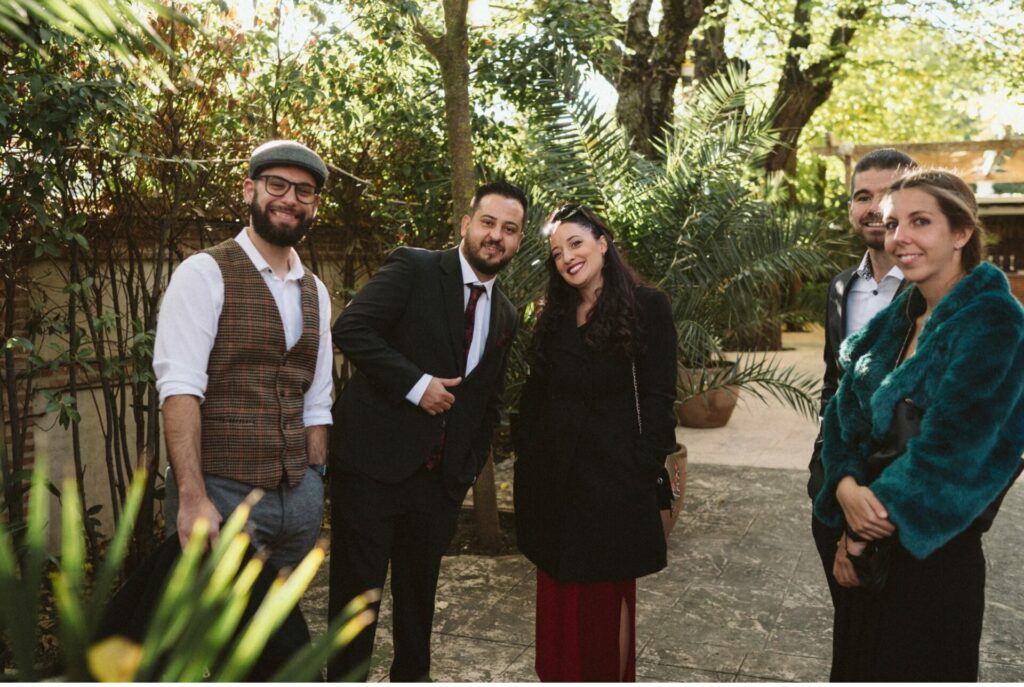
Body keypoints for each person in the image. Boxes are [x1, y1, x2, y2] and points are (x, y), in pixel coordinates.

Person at [813, 170, 1024, 681]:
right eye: (891, 224)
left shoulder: (995, 322)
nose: (899, 237)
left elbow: (953, 453)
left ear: (961, 233)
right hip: (865, 557)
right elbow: (841, 416)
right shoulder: (898, 318)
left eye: (920, 221)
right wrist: (842, 485)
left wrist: (861, 536)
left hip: (931, 561)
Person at [327, 181, 527, 681]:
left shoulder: (505, 313)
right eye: (488, 223)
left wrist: (462, 470)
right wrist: (416, 385)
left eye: (509, 229)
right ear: (465, 225)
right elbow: (351, 329)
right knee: (355, 608)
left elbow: (489, 402)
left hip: (437, 487)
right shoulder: (414, 268)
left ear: (519, 241)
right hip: (371, 472)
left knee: (418, 610)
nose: (496, 237)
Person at [512, 204, 677, 682]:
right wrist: (528, 452)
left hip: (613, 487)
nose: (567, 257)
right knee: (559, 607)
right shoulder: (555, 314)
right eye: (557, 252)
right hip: (554, 484)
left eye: (576, 243)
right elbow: (536, 393)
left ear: (602, 242)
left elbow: (660, 395)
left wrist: (641, 467)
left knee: (606, 610)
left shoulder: (648, 306)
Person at [154, 139, 333, 572]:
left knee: (276, 632)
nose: (290, 199)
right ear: (250, 190)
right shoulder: (204, 273)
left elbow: (316, 400)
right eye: (277, 185)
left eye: (303, 191)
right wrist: (193, 498)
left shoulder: (316, 290)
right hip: (221, 497)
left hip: (299, 504)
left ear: (313, 206)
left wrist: (314, 484)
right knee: (209, 635)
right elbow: (180, 393)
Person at [808, 149, 917, 605]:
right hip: (836, 482)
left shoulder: (929, 288)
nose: (873, 207)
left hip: (899, 495)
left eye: (887, 194)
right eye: (861, 196)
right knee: (851, 622)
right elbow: (835, 385)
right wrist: (827, 471)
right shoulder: (840, 288)